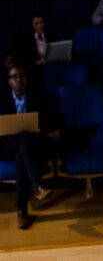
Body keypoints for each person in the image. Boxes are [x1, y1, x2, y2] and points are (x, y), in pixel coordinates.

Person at [0, 65, 55, 229]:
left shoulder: (37, 95)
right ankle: (36, 185)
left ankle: (21, 210)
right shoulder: (1, 98)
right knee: (21, 146)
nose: (18, 80)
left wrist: (42, 129)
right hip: (7, 145)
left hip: (32, 145)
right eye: (14, 77)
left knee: (21, 155)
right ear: (9, 81)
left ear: (27, 79)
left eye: (22, 76)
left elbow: (52, 119)